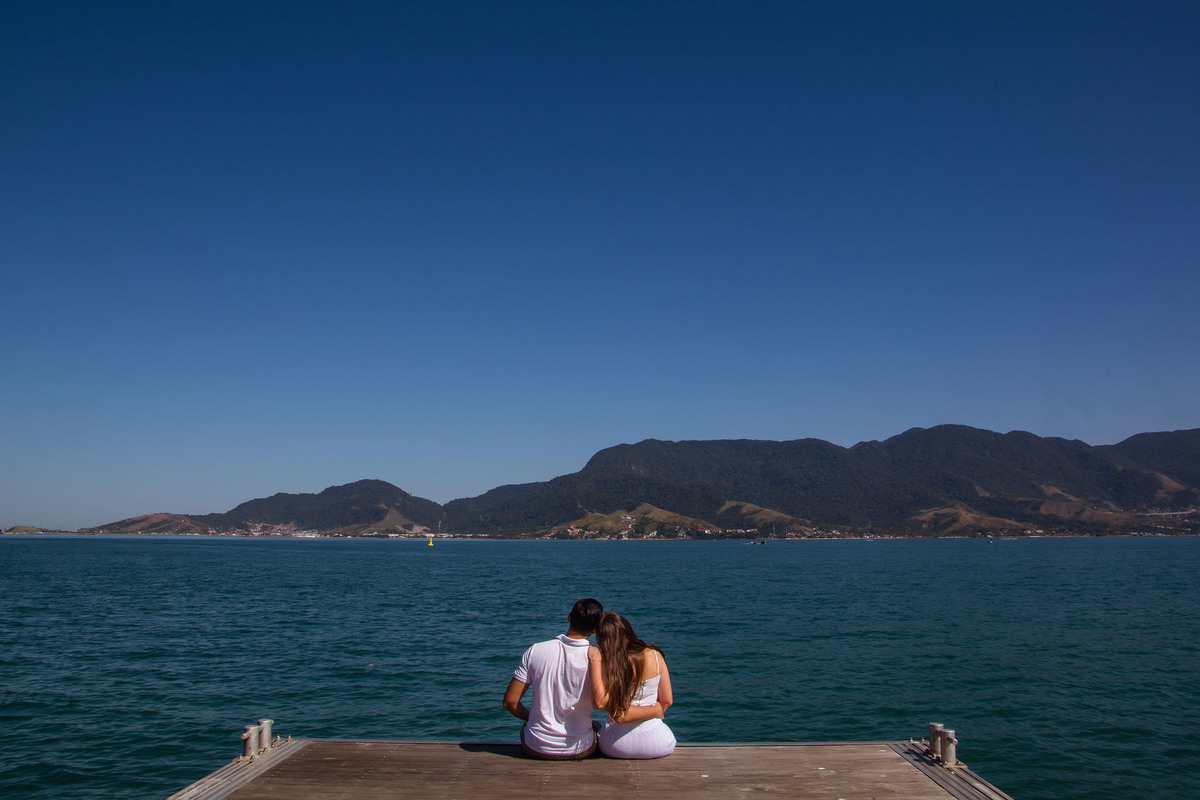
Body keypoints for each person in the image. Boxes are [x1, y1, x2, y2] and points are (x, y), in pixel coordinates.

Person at [501, 598, 606, 759]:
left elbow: (510, 702)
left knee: (526, 727)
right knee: (596, 727)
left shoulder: (535, 650)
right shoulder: (597, 659)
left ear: (569, 617)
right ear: (594, 629)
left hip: (536, 746)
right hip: (579, 748)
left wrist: (533, 717)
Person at [588, 611, 676, 759]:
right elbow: (667, 701)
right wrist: (657, 709)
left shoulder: (606, 663)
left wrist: (595, 662)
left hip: (616, 745)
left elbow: (610, 710)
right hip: (658, 743)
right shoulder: (655, 655)